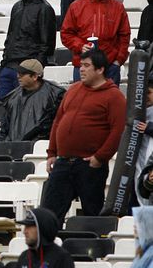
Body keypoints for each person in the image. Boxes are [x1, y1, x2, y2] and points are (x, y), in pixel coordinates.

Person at [41, 49, 126, 224]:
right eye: (81, 65)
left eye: (87, 66)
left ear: (100, 69)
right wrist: (52, 152)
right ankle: (47, 250)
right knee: (49, 215)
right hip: (63, 162)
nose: (82, 69)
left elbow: (118, 131)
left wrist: (100, 158)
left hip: (89, 165)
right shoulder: (73, 89)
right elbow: (58, 121)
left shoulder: (114, 96)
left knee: (91, 216)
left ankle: (93, 250)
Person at [60, 0, 130, 83]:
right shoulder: (76, 6)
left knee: (109, 101)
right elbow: (66, 34)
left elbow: (124, 35)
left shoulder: (118, 7)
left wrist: (118, 60)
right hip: (83, 65)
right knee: (83, 101)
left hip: (110, 66)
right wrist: (80, 46)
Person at [0, 0, 56, 99]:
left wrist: (34, 69)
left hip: (28, 71)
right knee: (3, 110)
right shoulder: (17, 7)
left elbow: (47, 44)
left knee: (25, 111)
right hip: (8, 66)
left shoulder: (44, 9)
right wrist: (4, 61)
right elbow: (10, 36)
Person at [0, 59, 65, 142]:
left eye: (22, 74)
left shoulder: (55, 95)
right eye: (18, 73)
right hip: (12, 146)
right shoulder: (12, 97)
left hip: (40, 146)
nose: (18, 76)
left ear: (35, 76)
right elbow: (4, 129)